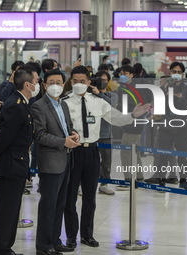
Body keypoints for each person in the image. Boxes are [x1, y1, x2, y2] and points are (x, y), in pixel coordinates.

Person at [63, 66, 151, 249]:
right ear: (71, 82)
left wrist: (133, 115)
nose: (79, 84)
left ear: (88, 82)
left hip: (92, 152)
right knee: (70, 197)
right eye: (75, 81)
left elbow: (116, 118)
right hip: (72, 152)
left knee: (90, 197)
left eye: (82, 81)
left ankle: (87, 234)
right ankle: (71, 236)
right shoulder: (64, 102)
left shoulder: (97, 102)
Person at [0, 65, 39, 255]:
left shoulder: (22, 103)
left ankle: (5, 248)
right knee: (7, 211)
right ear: (27, 84)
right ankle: (2, 249)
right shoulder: (15, 105)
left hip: (17, 162)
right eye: (36, 81)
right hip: (10, 164)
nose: (38, 84)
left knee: (11, 209)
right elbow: (5, 137)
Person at [32, 70, 80, 255]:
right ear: (44, 85)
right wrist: (63, 142)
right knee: (48, 205)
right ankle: (43, 246)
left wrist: (74, 133)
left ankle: (54, 240)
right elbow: (40, 135)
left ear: (63, 84)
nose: (55, 85)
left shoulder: (63, 104)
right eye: (51, 82)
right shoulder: (39, 106)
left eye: (59, 82)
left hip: (66, 159)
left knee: (60, 204)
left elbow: (66, 127)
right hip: (50, 162)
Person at [156, 62, 187, 190]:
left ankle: (183, 180)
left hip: (181, 127)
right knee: (163, 156)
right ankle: (161, 180)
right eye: (174, 72)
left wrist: (180, 97)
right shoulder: (164, 88)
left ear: (183, 74)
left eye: (179, 72)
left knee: (182, 157)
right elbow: (159, 107)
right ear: (170, 73)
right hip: (165, 127)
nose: (176, 74)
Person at [93, 71, 118, 195]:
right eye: (100, 80)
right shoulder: (90, 95)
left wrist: (100, 94)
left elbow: (112, 105)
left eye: (104, 80)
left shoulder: (112, 95)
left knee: (107, 161)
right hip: (91, 133)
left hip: (106, 133)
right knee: (90, 161)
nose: (102, 82)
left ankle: (104, 184)